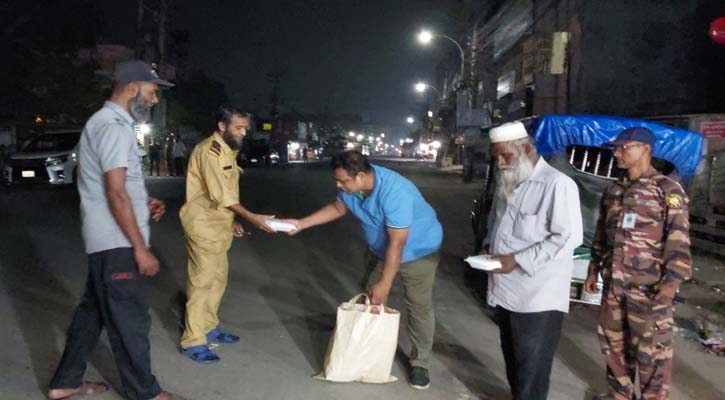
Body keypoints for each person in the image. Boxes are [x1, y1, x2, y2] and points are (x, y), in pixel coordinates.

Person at [47, 61, 188, 400]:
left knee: (91, 315)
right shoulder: (112, 126)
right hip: (117, 243)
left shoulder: (107, 124)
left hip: (107, 241)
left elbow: (115, 184)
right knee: (130, 320)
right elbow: (114, 192)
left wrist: (146, 200)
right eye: (152, 92)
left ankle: (65, 382)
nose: (154, 100)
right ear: (131, 87)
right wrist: (140, 248)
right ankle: (145, 393)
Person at [283, 150, 443, 390]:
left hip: (418, 250)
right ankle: (369, 351)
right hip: (381, 249)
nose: (339, 185)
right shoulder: (352, 189)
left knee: (418, 306)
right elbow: (338, 208)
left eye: (343, 181)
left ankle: (420, 363)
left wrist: (386, 283)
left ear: (360, 176)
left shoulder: (395, 191)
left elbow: (397, 243)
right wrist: (301, 224)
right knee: (370, 298)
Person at [585, 127, 692, 400]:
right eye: (616, 148)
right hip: (613, 289)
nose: (617, 153)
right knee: (614, 351)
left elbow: (678, 242)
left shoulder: (666, 189)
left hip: (648, 291)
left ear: (645, 149)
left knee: (651, 357)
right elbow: (602, 233)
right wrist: (593, 269)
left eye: (624, 147)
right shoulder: (614, 189)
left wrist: (670, 284)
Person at [483, 121, 583, 400]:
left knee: (533, 368)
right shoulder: (509, 181)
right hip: (505, 289)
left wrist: (516, 260)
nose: (501, 163)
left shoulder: (557, 185)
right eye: (497, 157)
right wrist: (487, 248)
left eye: (506, 155)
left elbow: (567, 237)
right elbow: (497, 223)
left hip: (538, 294)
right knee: (514, 362)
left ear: (525, 148)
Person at [179, 106, 276, 363]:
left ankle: (209, 327)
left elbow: (227, 191)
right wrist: (252, 217)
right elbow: (223, 195)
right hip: (203, 227)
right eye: (238, 127)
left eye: (245, 128)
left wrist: (232, 220)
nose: (244, 133)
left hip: (219, 226)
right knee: (201, 284)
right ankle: (193, 340)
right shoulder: (209, 152)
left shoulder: (227, 150)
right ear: (222, 127)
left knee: (218, 281)